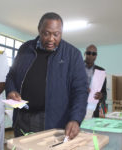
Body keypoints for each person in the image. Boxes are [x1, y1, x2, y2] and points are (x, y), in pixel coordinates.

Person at [5, 12, 88, 140]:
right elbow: (11, 75)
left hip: (51, 121)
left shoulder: (73, 55)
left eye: (56, 34)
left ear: (61, 33)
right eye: (46, 33)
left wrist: (75, 119)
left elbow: (80, 91)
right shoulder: (25, 49)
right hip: (21, 117)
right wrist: (11, 90)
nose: (51, 39)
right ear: (39, 30)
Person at [84, 44, 107, 117]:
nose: (91, 56)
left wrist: (101, 95)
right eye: (89, 53)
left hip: (94, 108)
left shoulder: (101, 71)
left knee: (92, 127)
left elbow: (104, 92)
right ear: (85, 54)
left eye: (94, 54)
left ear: (96, 56)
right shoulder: (76, 68)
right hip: (79, 105)